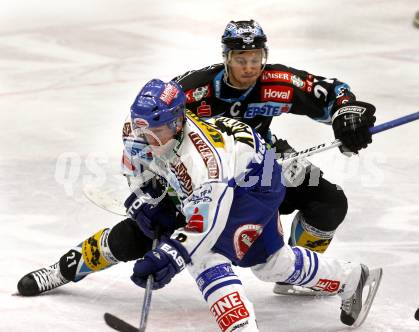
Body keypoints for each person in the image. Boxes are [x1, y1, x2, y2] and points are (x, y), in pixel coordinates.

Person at [19, 79, 382, 331]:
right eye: (139, 127)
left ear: (177, 123)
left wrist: (169, 256)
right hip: (205, 187)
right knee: (272, 264)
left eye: (154, 130)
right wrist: (145, 204)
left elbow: (204, 225)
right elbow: (135, 172)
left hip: (253, 185)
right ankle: (353, 277)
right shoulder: (142, 131)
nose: (144, 136)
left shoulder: (204, 160)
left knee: (204, 253)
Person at [171, 20, 376, 295]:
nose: (249, 68)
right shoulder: (194, 90)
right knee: (154, 229)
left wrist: (346, 114)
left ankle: (297, 270)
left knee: (330, 203)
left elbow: (330, 91)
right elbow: (153, 122)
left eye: (256, 59)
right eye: (240, 59)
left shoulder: (276, 82)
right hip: (210, 176)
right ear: (226, 58)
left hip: (268, 161)